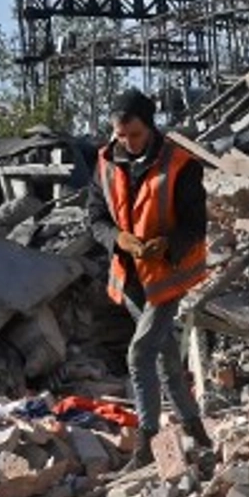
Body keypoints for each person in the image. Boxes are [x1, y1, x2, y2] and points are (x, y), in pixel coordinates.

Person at [88, 87, 210, 447]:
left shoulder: (182, 164)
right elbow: (94, 218)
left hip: (167, 276)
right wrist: (117, 239)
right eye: (121, 136)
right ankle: (196, 432)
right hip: (130, 278)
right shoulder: (105, 162)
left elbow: (194, 224)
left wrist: (167, 244)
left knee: (140, 355)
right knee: (166, 358)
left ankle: (147, 439)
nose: (129, 142)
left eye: (136, 135)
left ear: (151, 128)